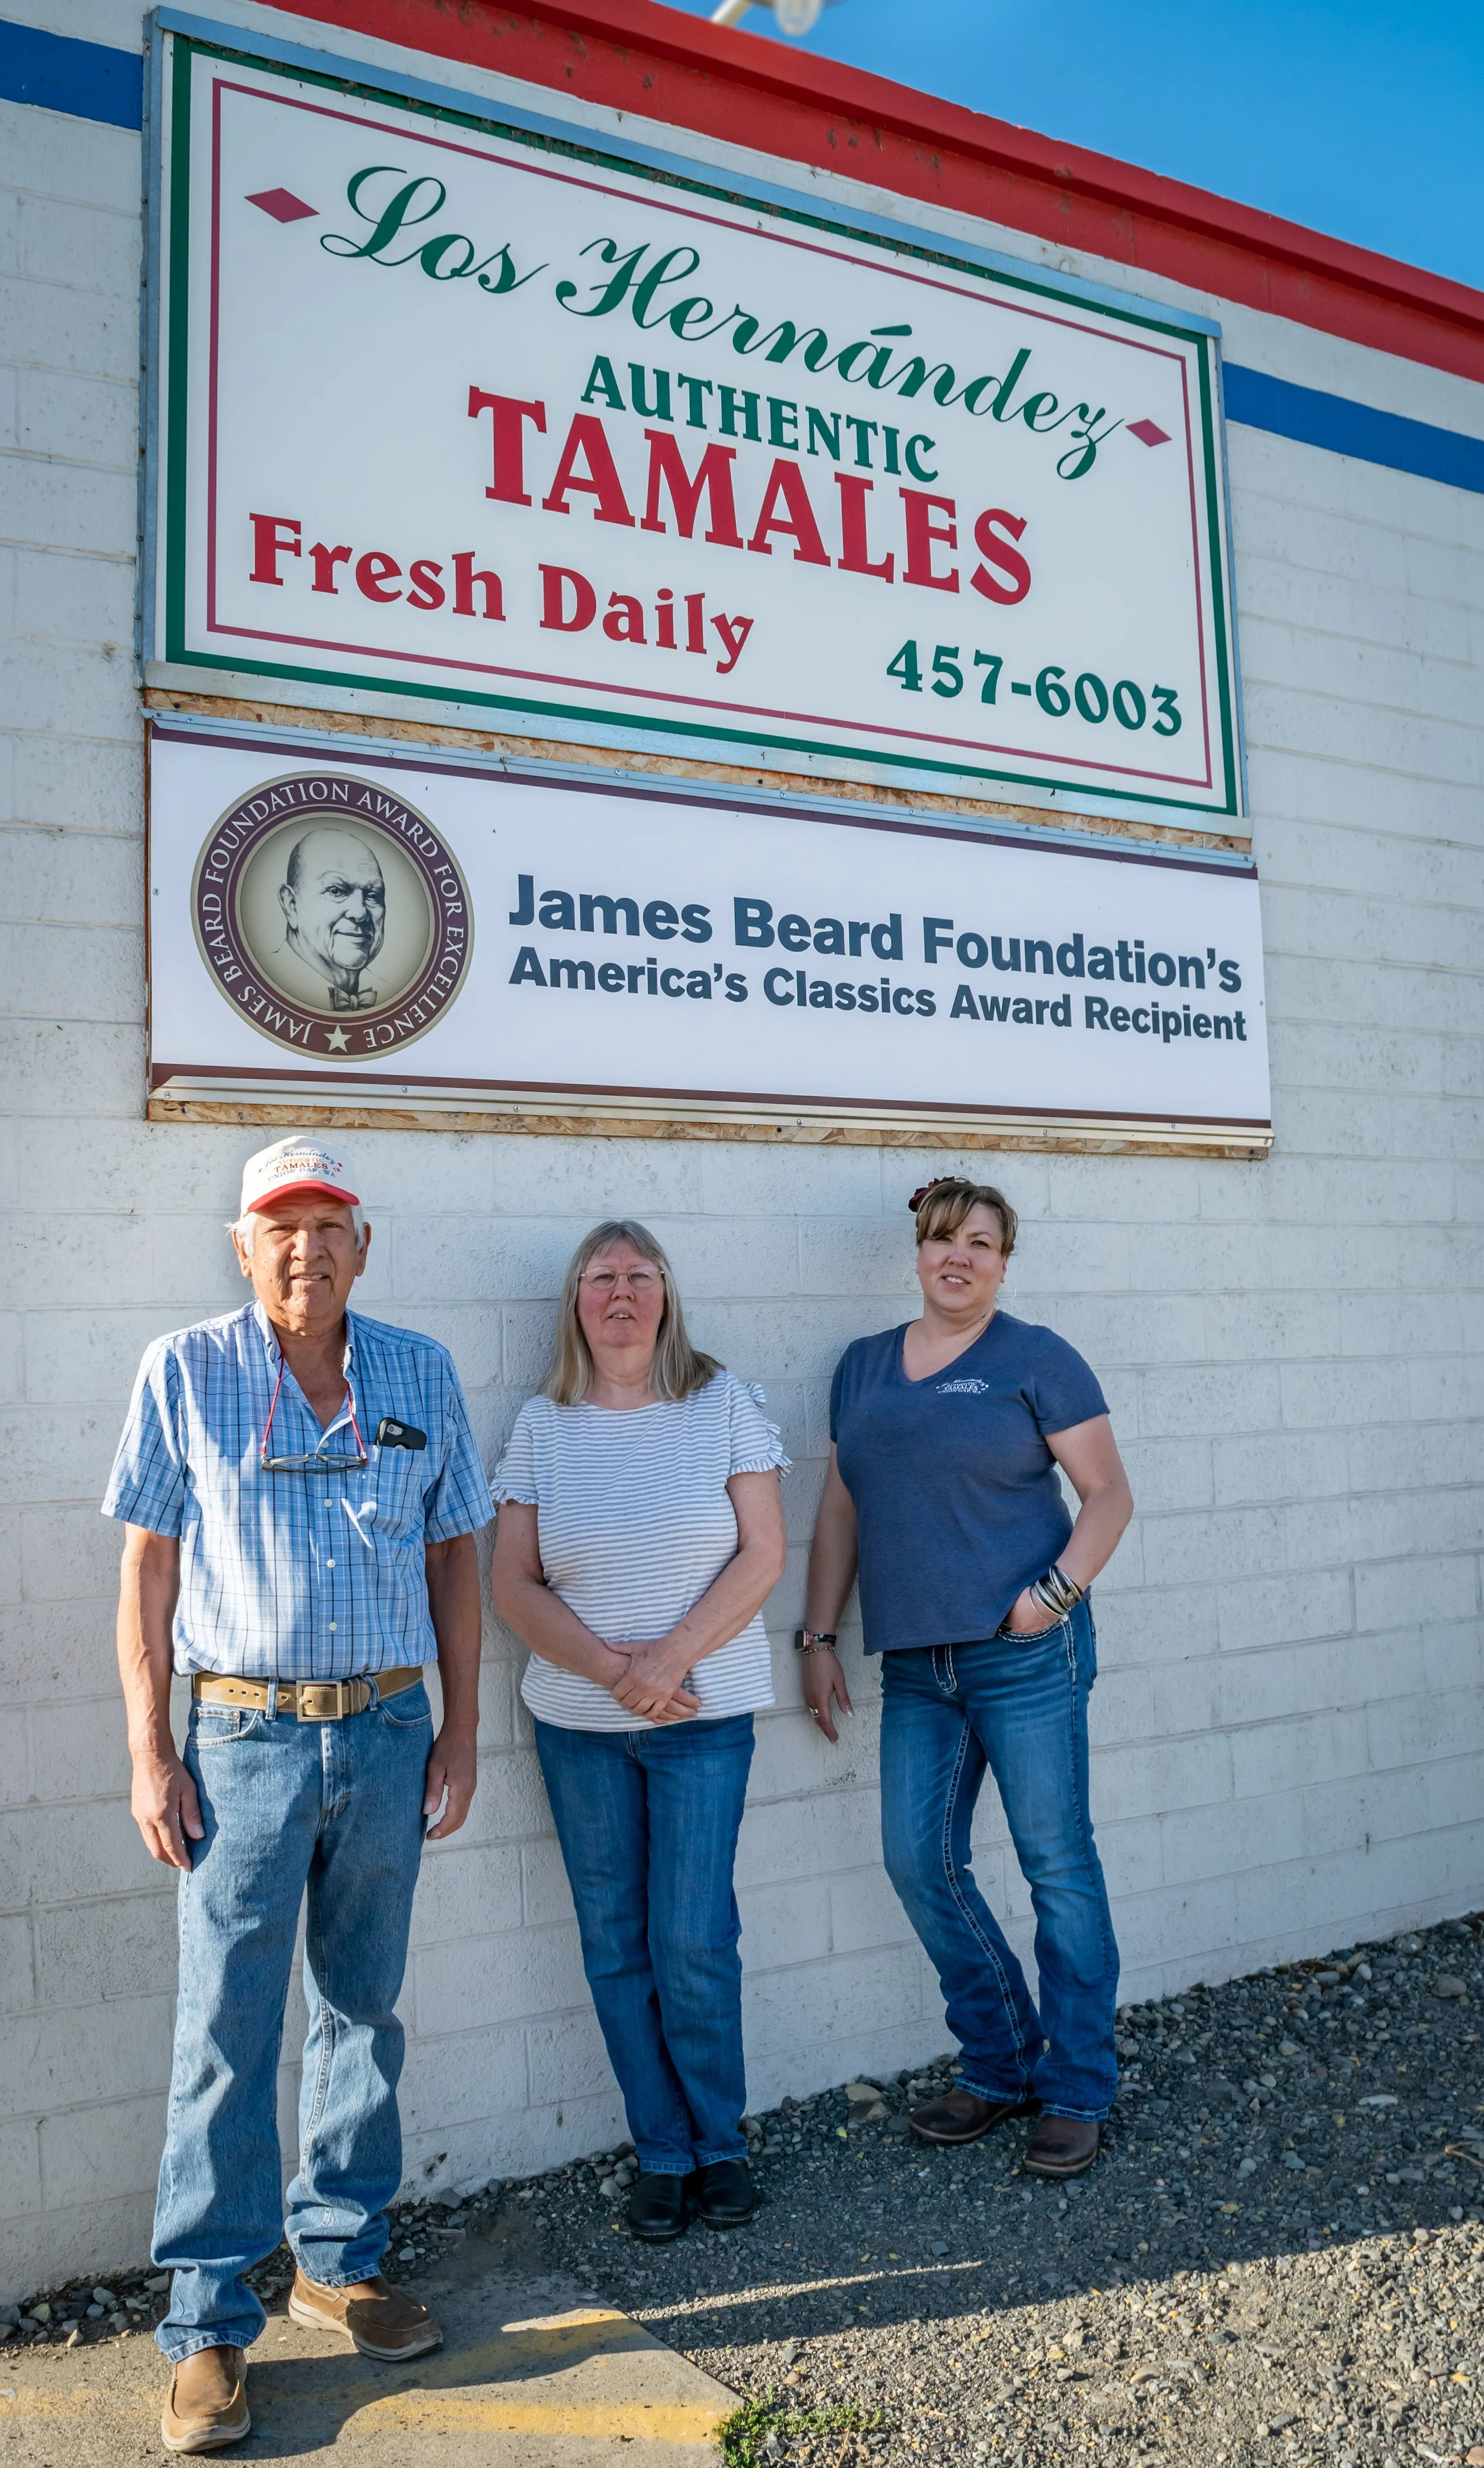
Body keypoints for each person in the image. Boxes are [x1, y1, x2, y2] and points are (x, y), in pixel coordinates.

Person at [104, 1134, 492, 2456]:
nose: (305, 1248)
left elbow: (454, 1554)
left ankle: (338, 2258)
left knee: (362, 2006)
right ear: (243, 1243)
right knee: (226, 2024)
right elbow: (147, 1574)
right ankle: (208, 2324)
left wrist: (459, 1727)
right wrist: (152, 1748)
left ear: (362, 1245)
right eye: (280, 1224)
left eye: (329, 1225)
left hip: (386, 1728)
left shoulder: (418, 1370)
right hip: (241, 1739)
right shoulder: (186, 1369)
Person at [800, 1176, 1133, 2181]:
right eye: (944, 1239)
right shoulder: (862, 1368)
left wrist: (1053, 1596)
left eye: (981, 1244)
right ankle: (1000, 2062)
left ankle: (1076, 2085)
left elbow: (1109, 1496)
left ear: (1003, 1260)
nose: (959, 1256)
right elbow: (841, 1513)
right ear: (917, 1251)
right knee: (918, 1859)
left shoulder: (1036, 1357)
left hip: (1027, 1650)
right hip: (917, 1664)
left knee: (1056, 1867)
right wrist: (818, 1636)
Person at [490, 1221, 787, 2244]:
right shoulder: (545, 1422)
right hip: (579, 1727)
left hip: (702, 1721)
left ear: (667, 1294)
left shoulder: (724, 1404)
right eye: (600, 1276)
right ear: (575, 1301)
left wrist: (666, 1663)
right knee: (616, 1942)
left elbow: (762, 1555)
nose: (620, 1291)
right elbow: (511, 1583)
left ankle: (721, 2144)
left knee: (694, 1939)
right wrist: (617, 1672)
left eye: (639, 1275)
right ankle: (661, 2149)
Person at [275, 828, 386, 1008]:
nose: (360, 913)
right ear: (292, 906)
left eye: (372, 895)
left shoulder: (387, 993)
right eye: (336, 891)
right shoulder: (261, 982)